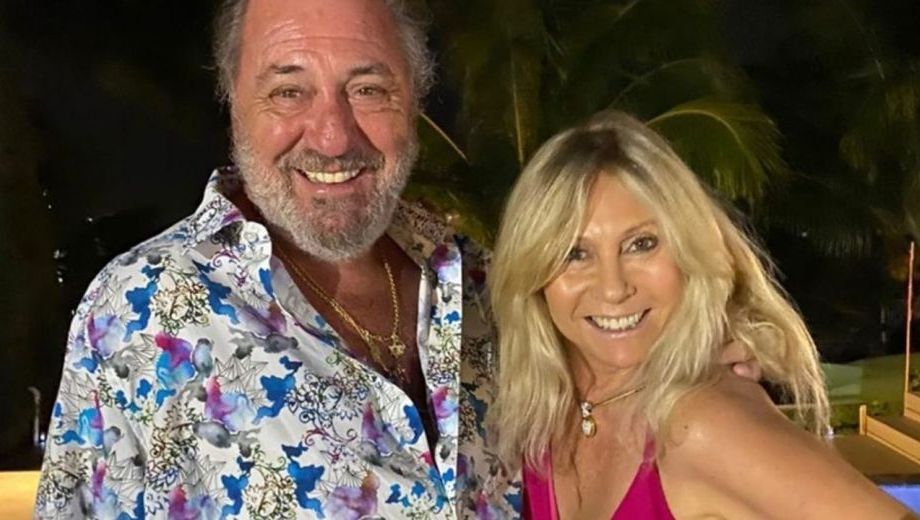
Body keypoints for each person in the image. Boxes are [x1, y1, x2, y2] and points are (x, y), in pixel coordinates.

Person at [34, 0, 520, 517]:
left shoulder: (485, 280)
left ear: (414, 97)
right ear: (233, 100)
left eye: (368, 90)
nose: (333, 138)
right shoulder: (139, 312)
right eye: (289, 92)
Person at [488, 110, 912, 519]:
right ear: (533, 275)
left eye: (641, 244)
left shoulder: (705, 424)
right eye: (575, 254)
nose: (614, 288)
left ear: (688, 251)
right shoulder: (544, 414)